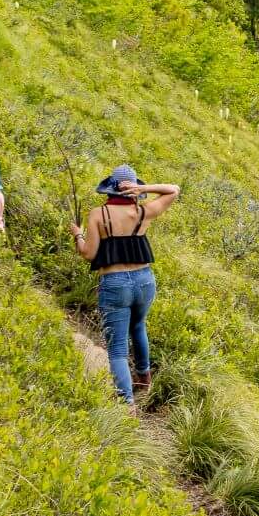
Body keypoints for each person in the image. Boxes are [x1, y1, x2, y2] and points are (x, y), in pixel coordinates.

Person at [72, 164, 180, 404]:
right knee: (138, 325)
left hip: (115, 282)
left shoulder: (98, 214)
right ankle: (144, 378)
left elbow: (89, 254)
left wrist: (78, 235)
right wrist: (144, 188)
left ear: (110, 189)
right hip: (144, 279)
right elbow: (173, 189)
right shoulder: (143, 212)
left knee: (117, 349)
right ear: (133, 190)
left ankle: (126, 404)